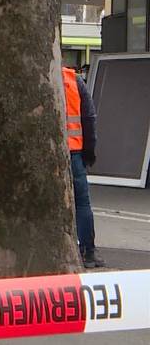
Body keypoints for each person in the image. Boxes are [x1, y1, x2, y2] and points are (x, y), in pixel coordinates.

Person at [63, 65, 101, 268]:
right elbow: (89, 118)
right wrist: (90, 151)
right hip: (74, 152)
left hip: (49, 155)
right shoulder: (73, 80)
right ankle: (88, 252)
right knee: (82, 203)